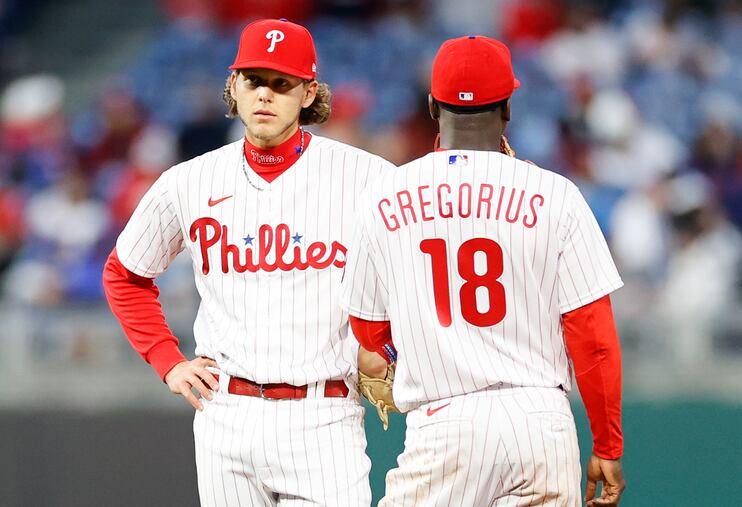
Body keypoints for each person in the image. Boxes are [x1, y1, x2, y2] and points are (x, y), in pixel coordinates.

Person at [103, 18, 394, 506]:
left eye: (282, 84)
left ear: (308, 95)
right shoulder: (188, 181)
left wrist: (386, 347)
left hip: (322, 416)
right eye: (254, 81)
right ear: (233, 87)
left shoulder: (366, 178)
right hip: (226, 415)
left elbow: (425, 266)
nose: (265, 95)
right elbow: (125, 274)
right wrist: (167, 360)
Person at [341, 35, 626, 506]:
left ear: (433, 106)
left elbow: (368, 328)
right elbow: (592, 336)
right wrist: (608, 444)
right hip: (540, 422)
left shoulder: (383, 195)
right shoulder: (555, 194)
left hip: (444, 420)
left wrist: (405, 351)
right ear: (508, 106)